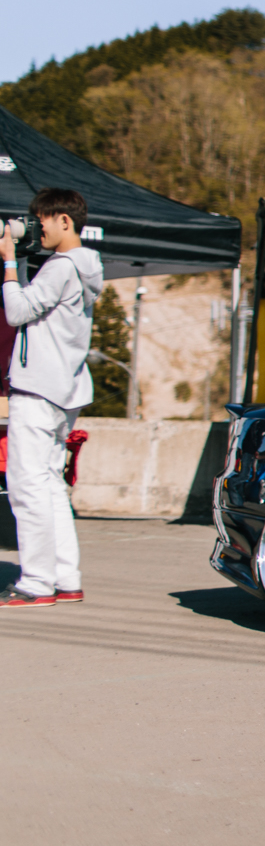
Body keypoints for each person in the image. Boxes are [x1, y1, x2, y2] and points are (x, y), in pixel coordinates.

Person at [1, 188, 105, 609]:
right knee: (49, 484)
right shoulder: (84, 266)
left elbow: (16, 311)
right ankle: (65, 578)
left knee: (27, 485)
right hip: (65, 391)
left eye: (42, 219)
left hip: (39, 390)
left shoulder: (61, 266)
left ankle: (36, 582)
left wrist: (9, 262)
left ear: (65, 220)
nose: (37, 226)